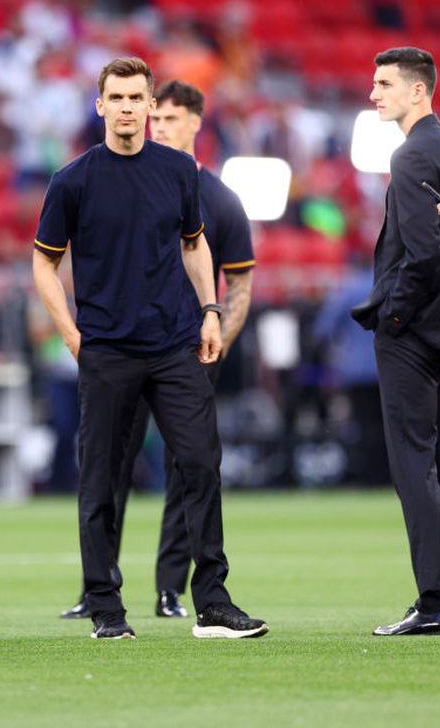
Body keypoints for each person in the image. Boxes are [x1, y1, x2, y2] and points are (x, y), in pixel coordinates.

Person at [33, 57, 266, 641]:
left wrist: (210, 311)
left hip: (175, 346)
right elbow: (43, 261)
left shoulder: (179, 171)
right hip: (107, 349)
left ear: (148, 104)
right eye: (119, 98)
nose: (130, 108)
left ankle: (211, 602)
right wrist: (68, 330)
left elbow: (194, 247)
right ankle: (106, 608)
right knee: (101, 479)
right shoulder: (73, 179)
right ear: (101, 105)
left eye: (139, 98)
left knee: (200, 465)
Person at [350, 47, 440, 637]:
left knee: (414, 465)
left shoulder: (411, 156)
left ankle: (435, 602)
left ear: (418, 91)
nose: (373, 93)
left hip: (413, 335)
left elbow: (421, 254)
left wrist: (395, 318)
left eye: (384, 83)